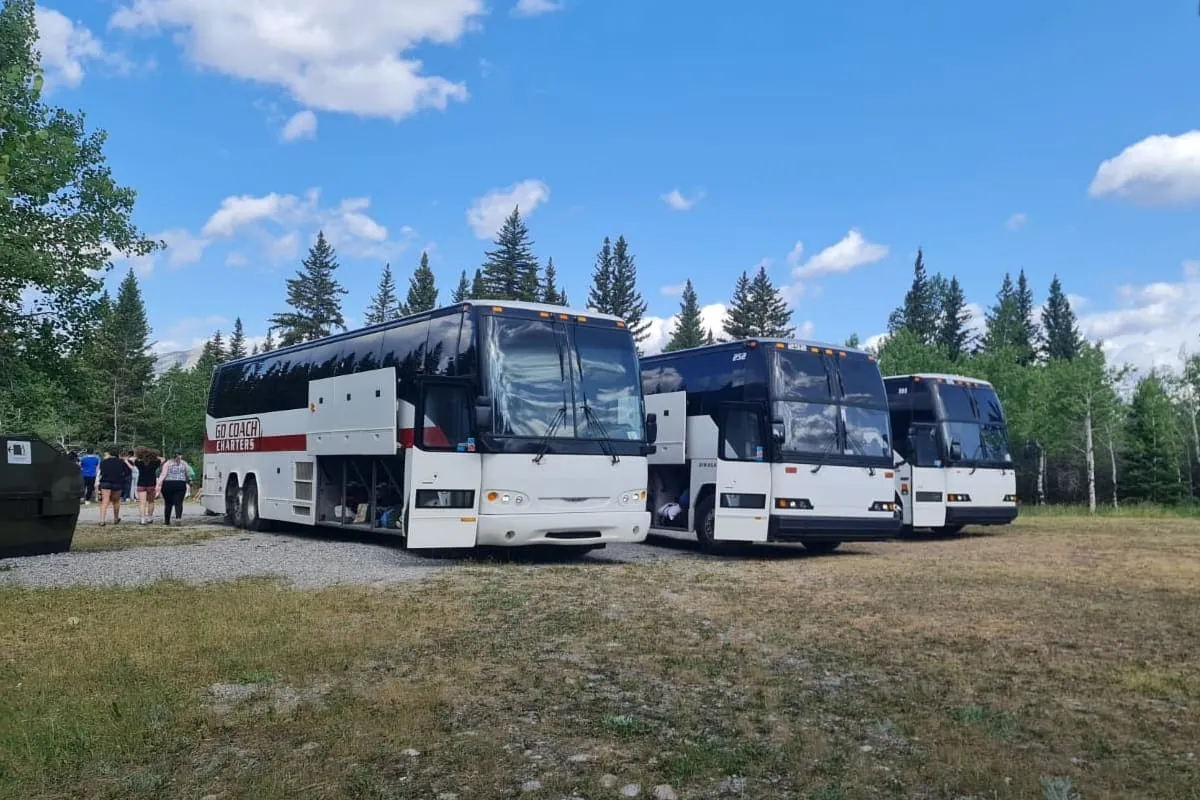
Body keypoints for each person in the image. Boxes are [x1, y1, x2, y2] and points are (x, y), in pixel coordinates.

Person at [96, 448, 132, 526]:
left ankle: (102, 520)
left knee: (105, 501)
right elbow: (128, 472)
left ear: (109, 454)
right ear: (118, 454)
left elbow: (101, 472)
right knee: (116, 501)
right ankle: (116, 518)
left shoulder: (103, 462)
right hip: (117, 482)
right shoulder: (121, 462)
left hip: (105, 482)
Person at [157, 451, 191, 526]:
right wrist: (189, 481)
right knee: (178, 502)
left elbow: (163, 474)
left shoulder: (167, 463)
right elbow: (187, 474)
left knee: (168, 503)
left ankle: (167, 521)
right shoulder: (184, 463)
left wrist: (158, 484)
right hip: (180, 484)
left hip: (168, 484)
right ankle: (178, 518)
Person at [134, 446, 162, 525]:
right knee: (151, 501)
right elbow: (163, 459)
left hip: (141, 483)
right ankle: (149, 517)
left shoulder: (138, 462)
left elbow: (131, 460)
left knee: (142, 503)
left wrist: (139, 456)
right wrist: (154, 455)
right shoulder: (155, 462)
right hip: (151, 483)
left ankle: (142, 519)